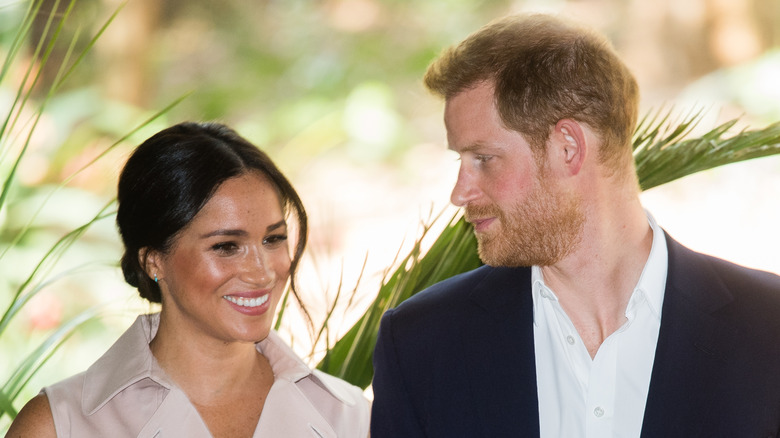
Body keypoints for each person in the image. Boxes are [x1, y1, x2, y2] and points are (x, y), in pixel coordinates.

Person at [370, 13, 780, 437]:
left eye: (483, 159)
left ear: (568, 148)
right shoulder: (421, 344)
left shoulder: (769, 328)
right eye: (462, 162)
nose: (460, 193)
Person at [8, 122, 370, 437]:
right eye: (227, 246)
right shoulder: (60, 427)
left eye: (273, 239)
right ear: (154, 260)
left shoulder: (347, 418)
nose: (262, 271)